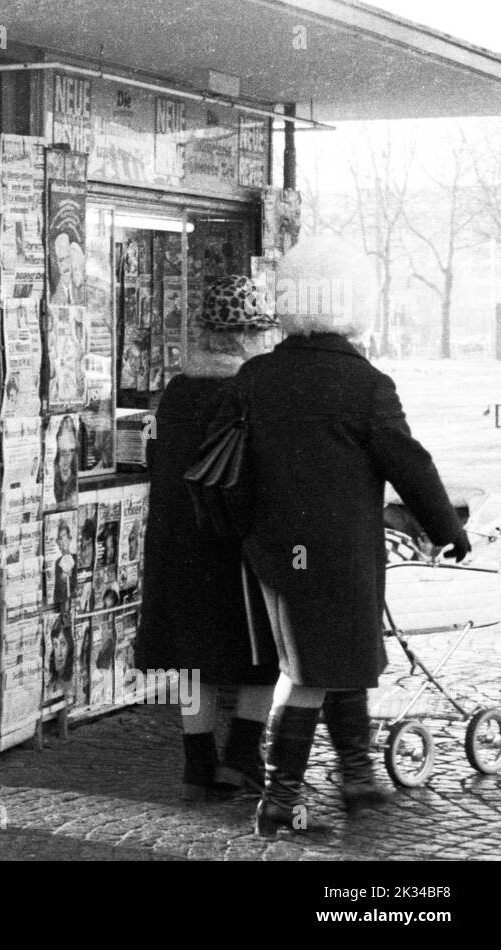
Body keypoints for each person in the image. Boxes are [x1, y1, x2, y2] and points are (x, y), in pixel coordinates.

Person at [210, 240, 469, 836]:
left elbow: (226, 471)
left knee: (327, 659)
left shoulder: (256, 377)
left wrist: (247, 534)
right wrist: (446, 529)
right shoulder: (365, 384)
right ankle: (283, 796)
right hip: (340, 555)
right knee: (315, 669)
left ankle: (355, 779)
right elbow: (411, 464)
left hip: (277, 553)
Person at [137, 275, 280, 802]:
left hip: (178, 543)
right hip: (234, 545)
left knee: (193, 654)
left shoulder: (177, 390)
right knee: (261, 652)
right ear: (248, 336)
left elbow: (160, 461)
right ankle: (244, 751)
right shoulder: (250, 391)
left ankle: (198, 761)